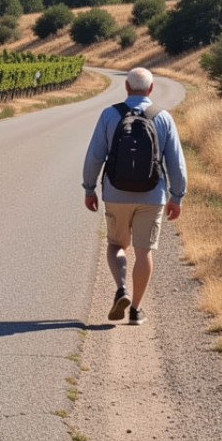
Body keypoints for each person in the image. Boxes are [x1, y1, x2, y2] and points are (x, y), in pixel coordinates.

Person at [82, 67, 187, 325]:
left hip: (116, 193)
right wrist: (177, 196)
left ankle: (121, 289)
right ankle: (136, 310)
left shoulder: (109, 114)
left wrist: (89, 189)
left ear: (126, 88)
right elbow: (176, 162)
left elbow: (95, 155)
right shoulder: (163, 117)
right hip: (152, 195)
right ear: (150, 89)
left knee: (116, 245)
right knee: (144, 252)